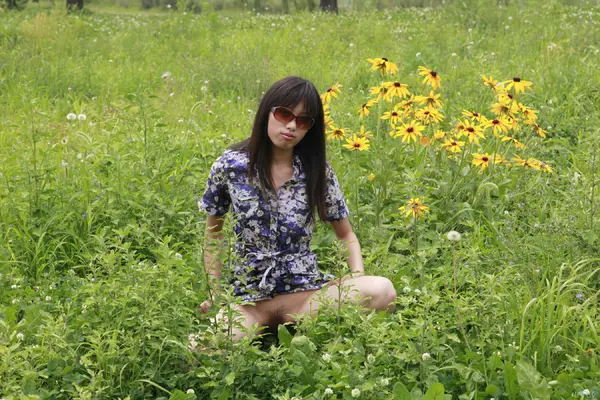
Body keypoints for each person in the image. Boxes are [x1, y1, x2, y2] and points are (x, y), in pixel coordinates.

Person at [197, 76, 396, 342]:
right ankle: (258, 330)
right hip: (249, 303)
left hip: (305, 299)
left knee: (382, 290)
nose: (291, 125)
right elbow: (214, 234)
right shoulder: (230, 166)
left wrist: (356, 277)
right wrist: (214, 294)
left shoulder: (316, 171)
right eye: (284, 114)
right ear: (266, 112)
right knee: (204, 347)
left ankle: (298, 327)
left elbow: (346, 234)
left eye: (303, 121)